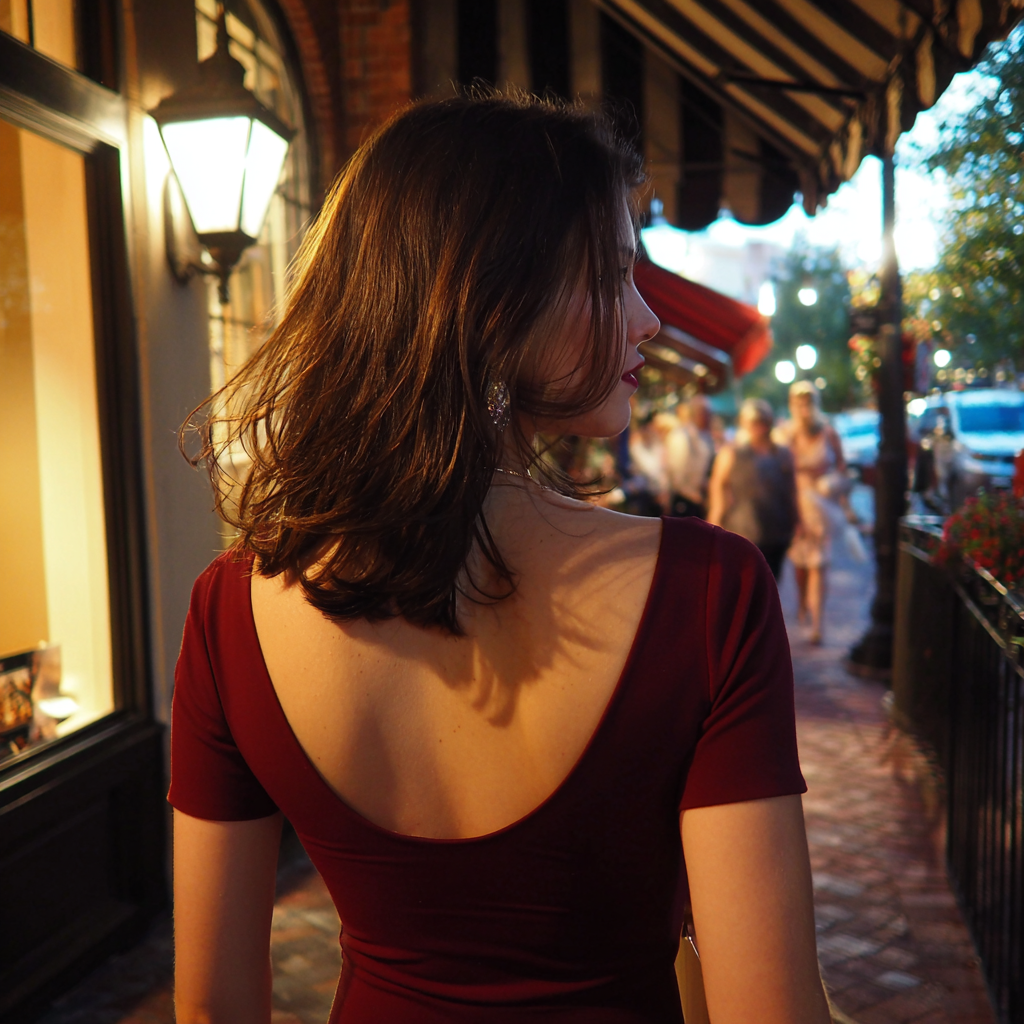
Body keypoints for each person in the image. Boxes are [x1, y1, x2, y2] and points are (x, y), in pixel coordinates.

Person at [170, 94, 830, 1024]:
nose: (647, 320)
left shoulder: (229, 608)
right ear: (491, 300)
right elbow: (772, 1013)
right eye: (612, 275)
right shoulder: (706, 591)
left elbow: (210, 1007)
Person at [776, 380, 848, 644]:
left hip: (822, 507)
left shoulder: (829, 432)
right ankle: (804, 605)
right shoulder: (786, 434)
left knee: (821, 564)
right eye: (799, 402)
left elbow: (842, 467)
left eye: (808, 402)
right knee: (801, 565)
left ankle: (818, 622)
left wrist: (832, 484)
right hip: (797, 507)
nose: (804, 407)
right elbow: (780, 472)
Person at [706, 398, 798, 581]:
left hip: (777, 528)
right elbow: (718, 486)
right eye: (754, 423)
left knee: (771, 580)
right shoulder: (732, 453)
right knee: (744, 581)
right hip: (744, 528)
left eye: (762, 422)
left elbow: (791, 489)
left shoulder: (782, 453)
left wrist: (797, 520)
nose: (759, 428)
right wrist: (715, 520)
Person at [665, 394, 714, 518]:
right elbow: (677, 473)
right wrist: (693, 495)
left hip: (698, 499)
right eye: (705, 413)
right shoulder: (681, 437)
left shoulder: (705, 436)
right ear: (696, 414)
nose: (709, 417)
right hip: (686, 500)